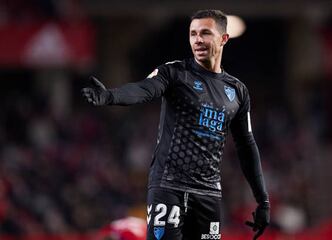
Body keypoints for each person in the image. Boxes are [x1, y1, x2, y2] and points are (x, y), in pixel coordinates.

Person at [82, 9, 270, 240]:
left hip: (209, 194)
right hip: (169, 186)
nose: (198, 39)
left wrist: (263, 200)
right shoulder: (175, 73)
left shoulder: (238, 91)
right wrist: (110, 96)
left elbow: (246, 146)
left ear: (223, 38)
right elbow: (144, 89)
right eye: (193, 34)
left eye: (205, 33)